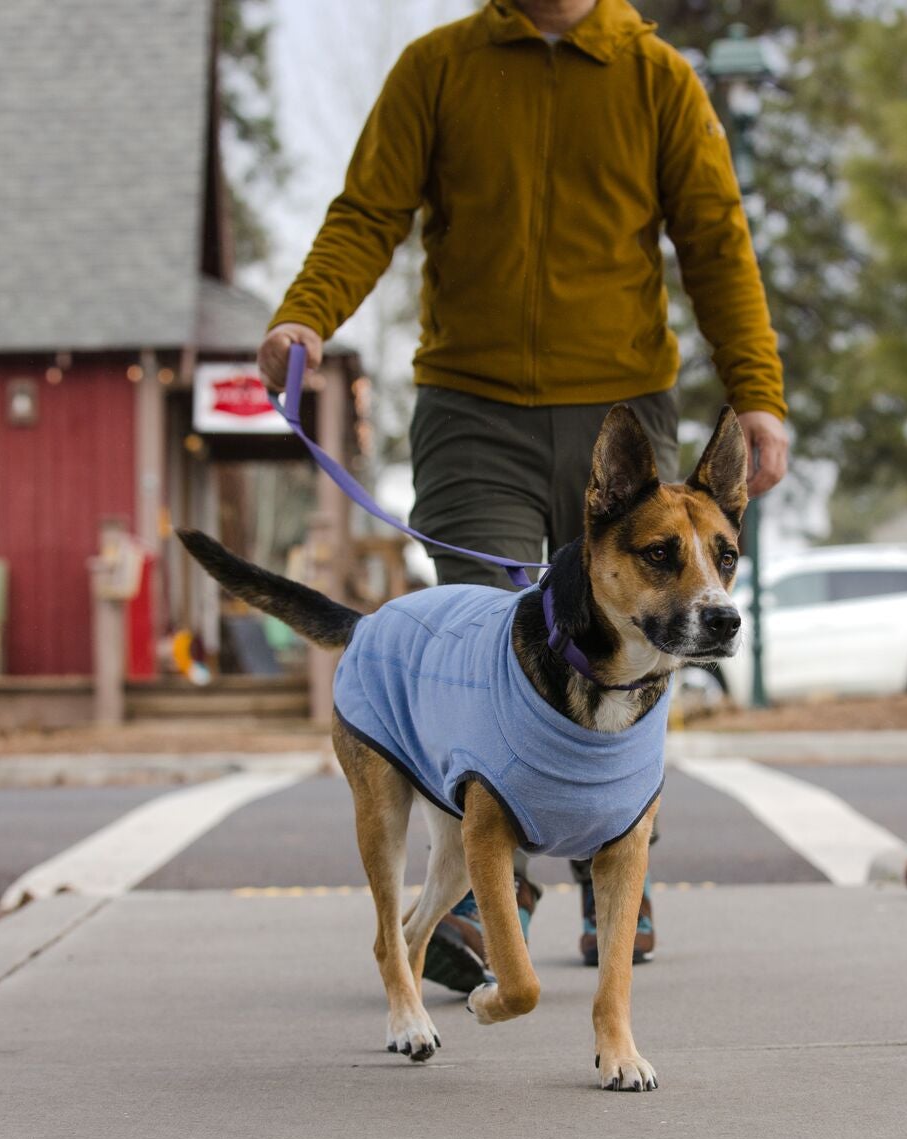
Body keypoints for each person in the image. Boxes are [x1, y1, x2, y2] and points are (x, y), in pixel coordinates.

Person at [259, 0, 788, 992]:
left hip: (621, 410)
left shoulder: (657, 79)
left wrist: (756, 393)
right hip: (475, 413)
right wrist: (305, 314)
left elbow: (714, 239)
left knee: (638, 638)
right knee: (487, 640)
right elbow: (369, 210)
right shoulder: (439, 67)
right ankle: (482, 879)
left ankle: (610, 858)